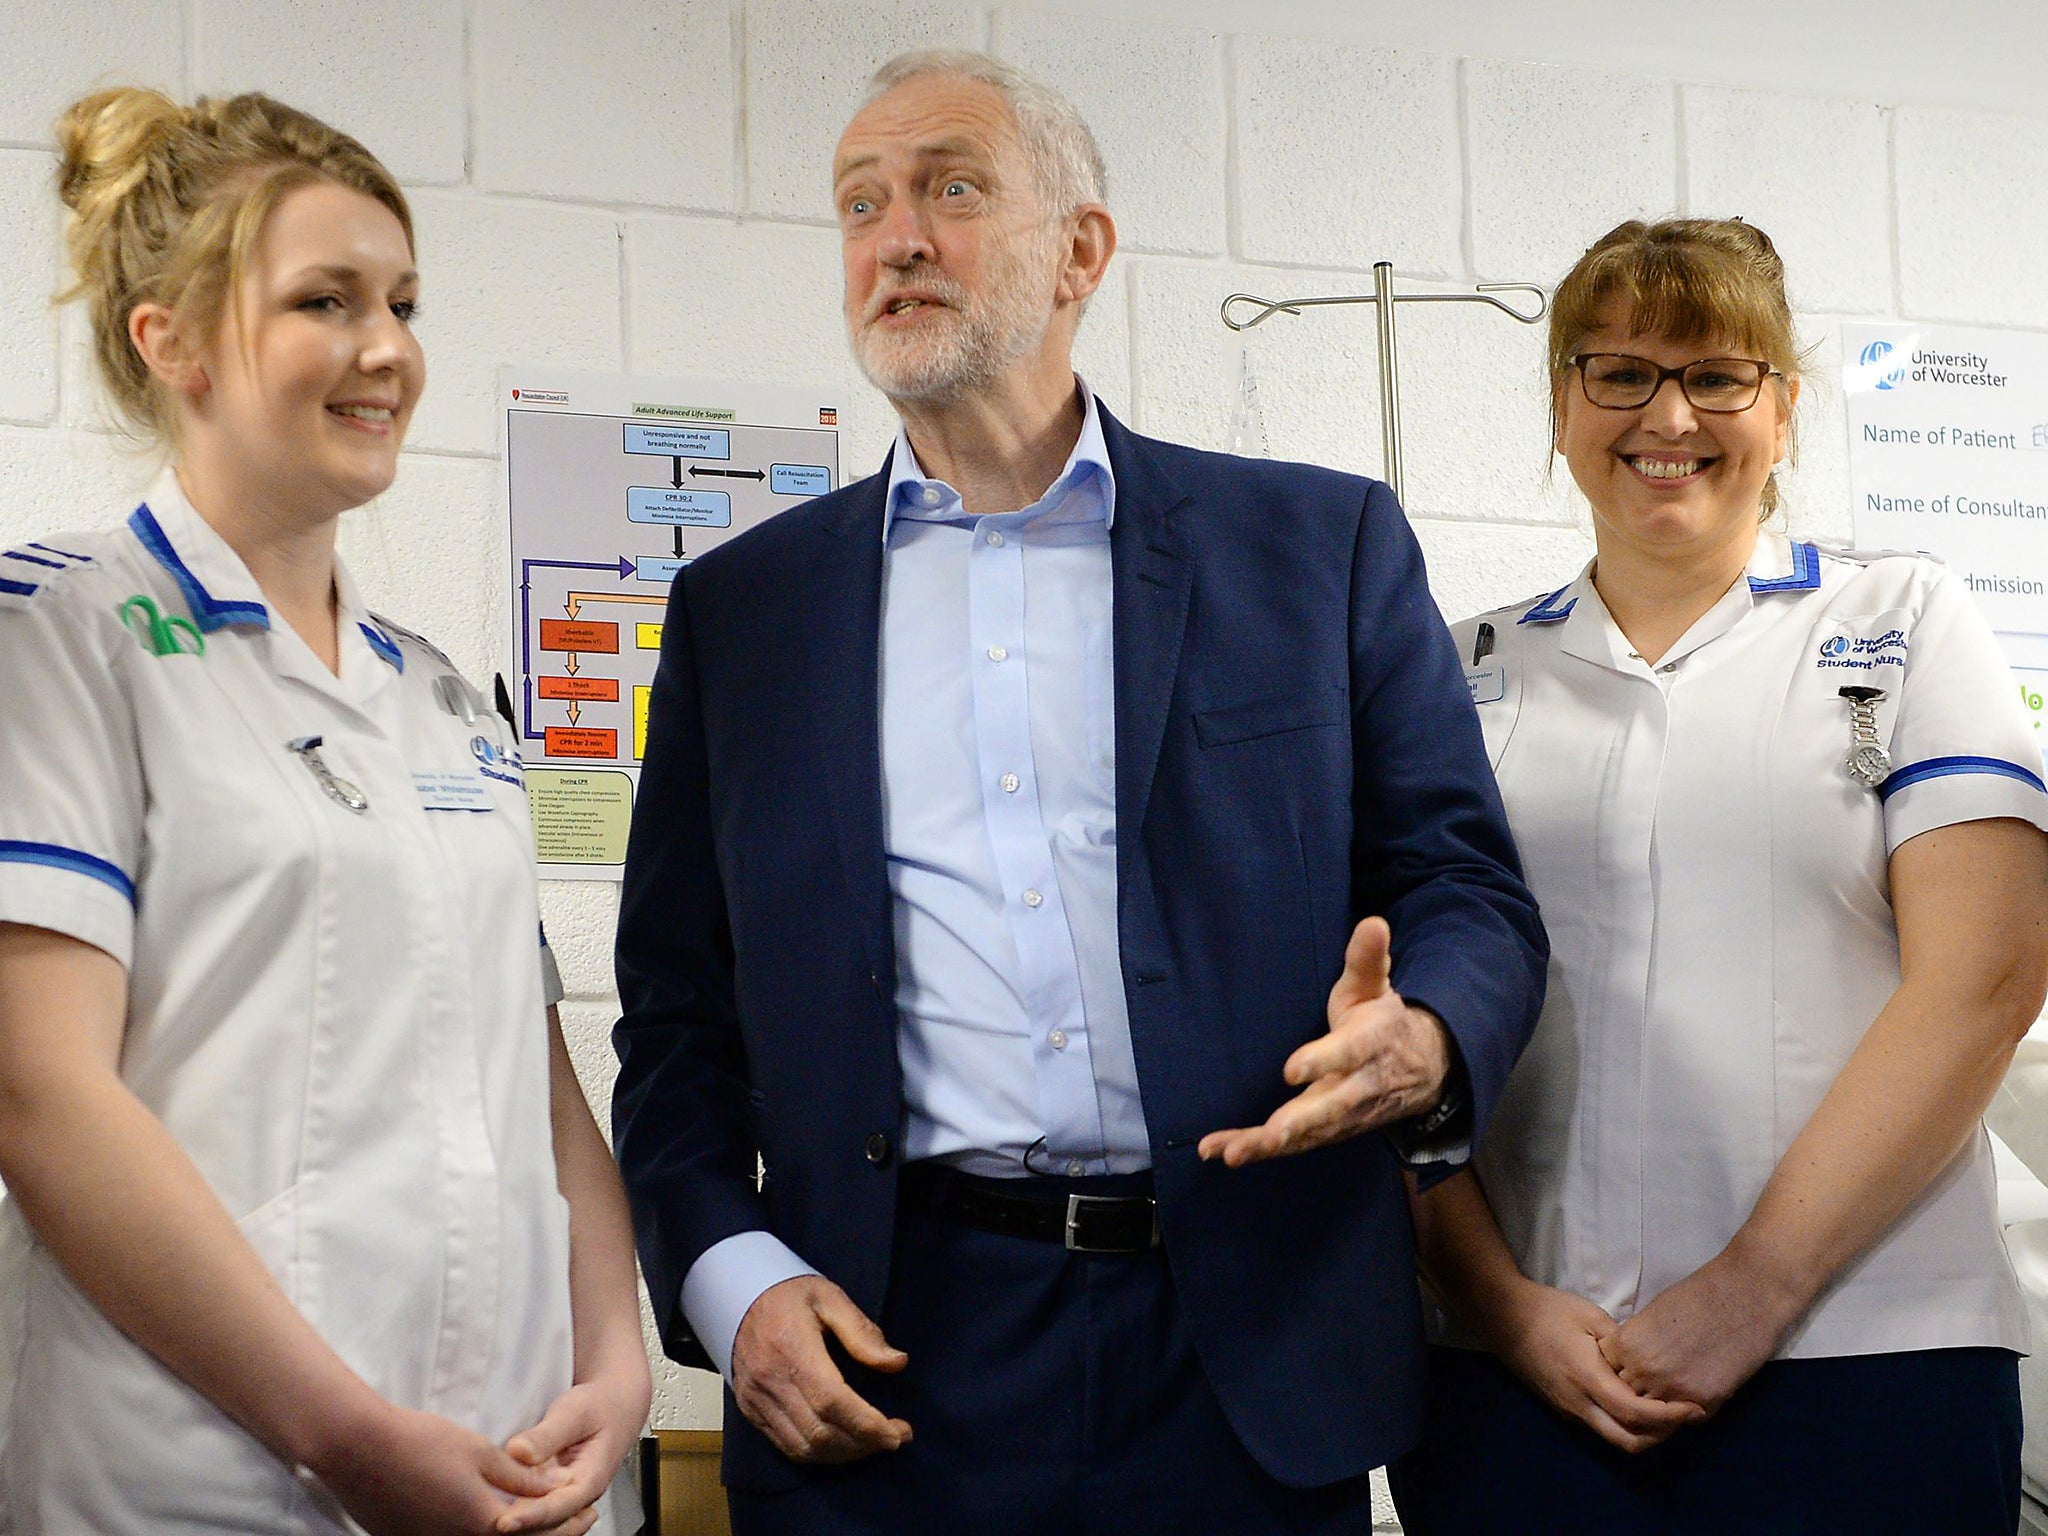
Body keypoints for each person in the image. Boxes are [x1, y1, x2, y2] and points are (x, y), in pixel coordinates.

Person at [612, 48, 1546, 1535]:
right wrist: (731, 1281)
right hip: (884, 1349)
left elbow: (1467, 889)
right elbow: (674, 1024)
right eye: (861, 204)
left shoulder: (1317, 551)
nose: (896, 238)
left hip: (1243, 1345)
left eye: (952, 189)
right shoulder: (746, 615)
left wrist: (1430, 1032)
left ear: (1082, 252)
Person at [0, 89, 649, 1535]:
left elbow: (537, 1085)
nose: (388, 351)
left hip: (515, 1473)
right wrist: (349, 1438)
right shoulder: (54, 637)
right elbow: (42, 1099)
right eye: (325, 300)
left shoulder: (446, 704)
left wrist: (613, 1360)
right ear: (165, 340)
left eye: (404, 302)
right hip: (201, 1484)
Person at [1387, 217, 2048, 1535]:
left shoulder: (1901, 623)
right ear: (1567, 409)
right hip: (1520, 1376)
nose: (1665, 412)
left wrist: (1756, 1283)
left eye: (1717, 373)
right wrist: (1499, 1306)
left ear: (1786, 408)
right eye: (1618, 370)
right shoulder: (1458, 668)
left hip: (1865, 1359)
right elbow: (1401, 1025)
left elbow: (1989, 972)